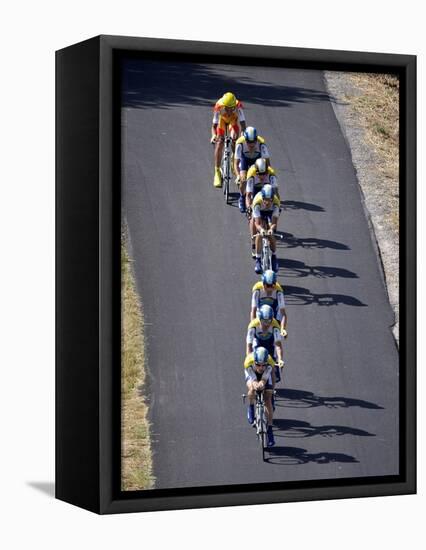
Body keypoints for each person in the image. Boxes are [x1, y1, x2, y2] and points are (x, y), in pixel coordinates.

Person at [210, 92, 246, 188]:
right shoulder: (218, 106)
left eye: (232, 109)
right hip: (221, 121)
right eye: (227, 109)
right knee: (219, 142)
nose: (229, 111)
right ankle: (217, 172)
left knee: (235, 137)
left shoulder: (238, 105)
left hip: (232, 121)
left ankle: (234, 160)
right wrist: (214, 136)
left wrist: (242, 134)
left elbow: (243, 123)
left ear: (235, 106)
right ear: (223, 106)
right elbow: (214, 126)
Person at [246, 159, 279, 255]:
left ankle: (273, 252)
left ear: (267, 171)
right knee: (253, 218)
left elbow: (276, 194)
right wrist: (249, 207)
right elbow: (248, 195)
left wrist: (277, 205)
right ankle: (254, 243)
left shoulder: (271, 176)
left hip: (270, 194)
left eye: (264, 174)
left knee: (271, 229)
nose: (262, 176)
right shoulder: (251, 175)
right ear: (256, 172)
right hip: (257, 195)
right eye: (259, 174)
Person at [244, 346, 275, 447]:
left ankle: (270, 429)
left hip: (266, 376)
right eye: (258, 365)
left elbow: (267, 377)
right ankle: (251, 406)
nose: (261, 368)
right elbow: (253, 379)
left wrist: (267, 385)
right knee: (252, 388)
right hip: (251, 373)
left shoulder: (270, 362)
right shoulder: (248, 361)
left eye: (263, 365)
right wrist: (256, 383)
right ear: (254, 362)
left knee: (268, 398)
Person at [233, 127, 270, 213]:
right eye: (249, 142)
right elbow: (235, 163)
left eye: (254, 141)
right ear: (245, 140)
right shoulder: (240, 143)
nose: (252, 144)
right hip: (244, 160)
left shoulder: (261, 144)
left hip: (257, 160)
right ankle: (242, 197)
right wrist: (238, 175)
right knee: (243, 179)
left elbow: (267, 164)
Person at [252, 184, 281, 274]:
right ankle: (258, 260)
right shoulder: (257, 202)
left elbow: (274, 223)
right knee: (260, 234)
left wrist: (271, 229)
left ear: (273, 198)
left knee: (271, 233)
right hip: (260, 212)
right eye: (265, 200)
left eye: (269, 200)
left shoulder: (276, 203)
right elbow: (257, 224)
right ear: (262, 198)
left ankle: (274, 257)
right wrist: (261, 230)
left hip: (270, 213)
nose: (267, 202)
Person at [251, 270, 288, 337]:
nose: (270, 288)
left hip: (274, 315)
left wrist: (283, 329)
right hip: (261, 314)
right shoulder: (257, 290)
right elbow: (253, 310)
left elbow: (283, 314)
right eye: (267, 285)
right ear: (263, 283)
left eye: (273, 285)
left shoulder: (279, 291)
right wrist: (253, 328)